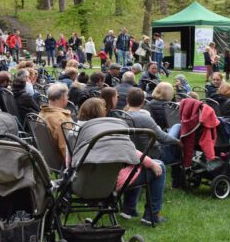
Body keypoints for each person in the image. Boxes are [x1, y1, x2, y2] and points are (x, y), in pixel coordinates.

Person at [76, 96, 166, 226]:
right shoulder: (106, 132)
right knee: (158, 166)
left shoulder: (73, 130)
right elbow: (130, 152)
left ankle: (129, 210)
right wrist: (151, 163)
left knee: (137, 165)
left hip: (79, 180)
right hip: (107, 182)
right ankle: (151, 215)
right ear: (102, 112)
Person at [40, 83, 73, 163]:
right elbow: (65, 147)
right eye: (67, 95)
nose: (68, 98)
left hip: (47, 158)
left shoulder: (42, 113)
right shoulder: (61, 119)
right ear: (63, 97)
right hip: (62, 161)